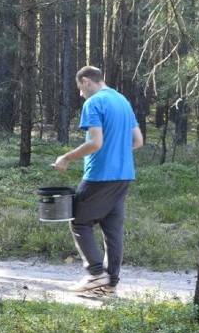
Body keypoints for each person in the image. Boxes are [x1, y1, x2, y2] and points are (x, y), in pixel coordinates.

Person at [54, 66, 144, 294]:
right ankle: (110, 283)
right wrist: (117, 152)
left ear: (86, 81)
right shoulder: (122, 101)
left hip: (100, 175)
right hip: (124, 175)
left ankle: (96, 274)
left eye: (80, 89)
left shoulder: (93, 103)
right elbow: (138, 141)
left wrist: (65, 158)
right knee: (112, 229)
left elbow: (95, 143)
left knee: (79, 221)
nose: (81, 95)